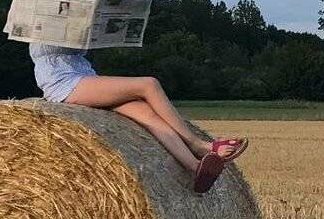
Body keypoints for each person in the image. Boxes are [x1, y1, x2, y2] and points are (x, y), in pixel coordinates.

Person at [31, 45, 248, 193]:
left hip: (84, 74)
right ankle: (199, 145)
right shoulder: (38, 8)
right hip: (60, 81)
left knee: (146, 112)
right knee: (148, 85)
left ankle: (194, 167)